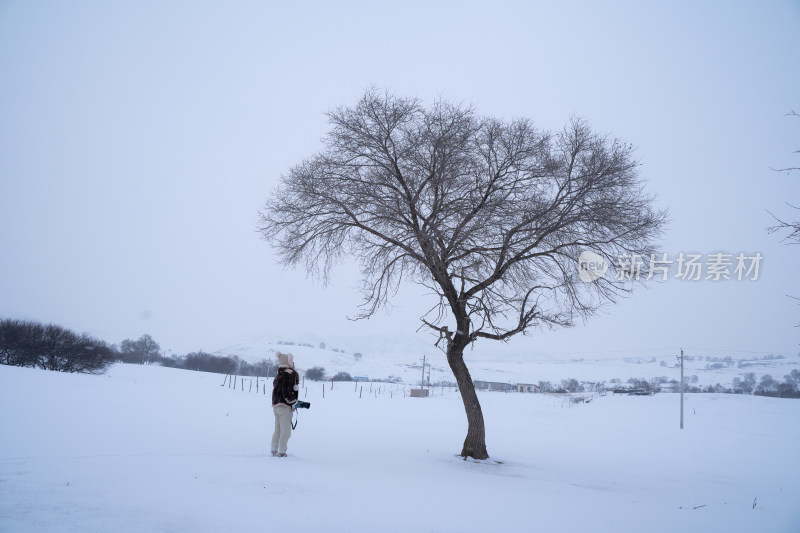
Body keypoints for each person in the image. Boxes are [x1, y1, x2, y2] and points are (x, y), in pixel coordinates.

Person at [271, 351, 299, 457]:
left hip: (276, 406)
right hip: (284, 406)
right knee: (286, 432)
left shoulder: (279, 374)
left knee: (277, 430)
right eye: (292, 361)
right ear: (289, 362)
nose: (293, 364)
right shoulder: (289, 374)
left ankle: (273, 450)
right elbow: (286, 392)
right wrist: (293, 402)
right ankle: (282, 452)